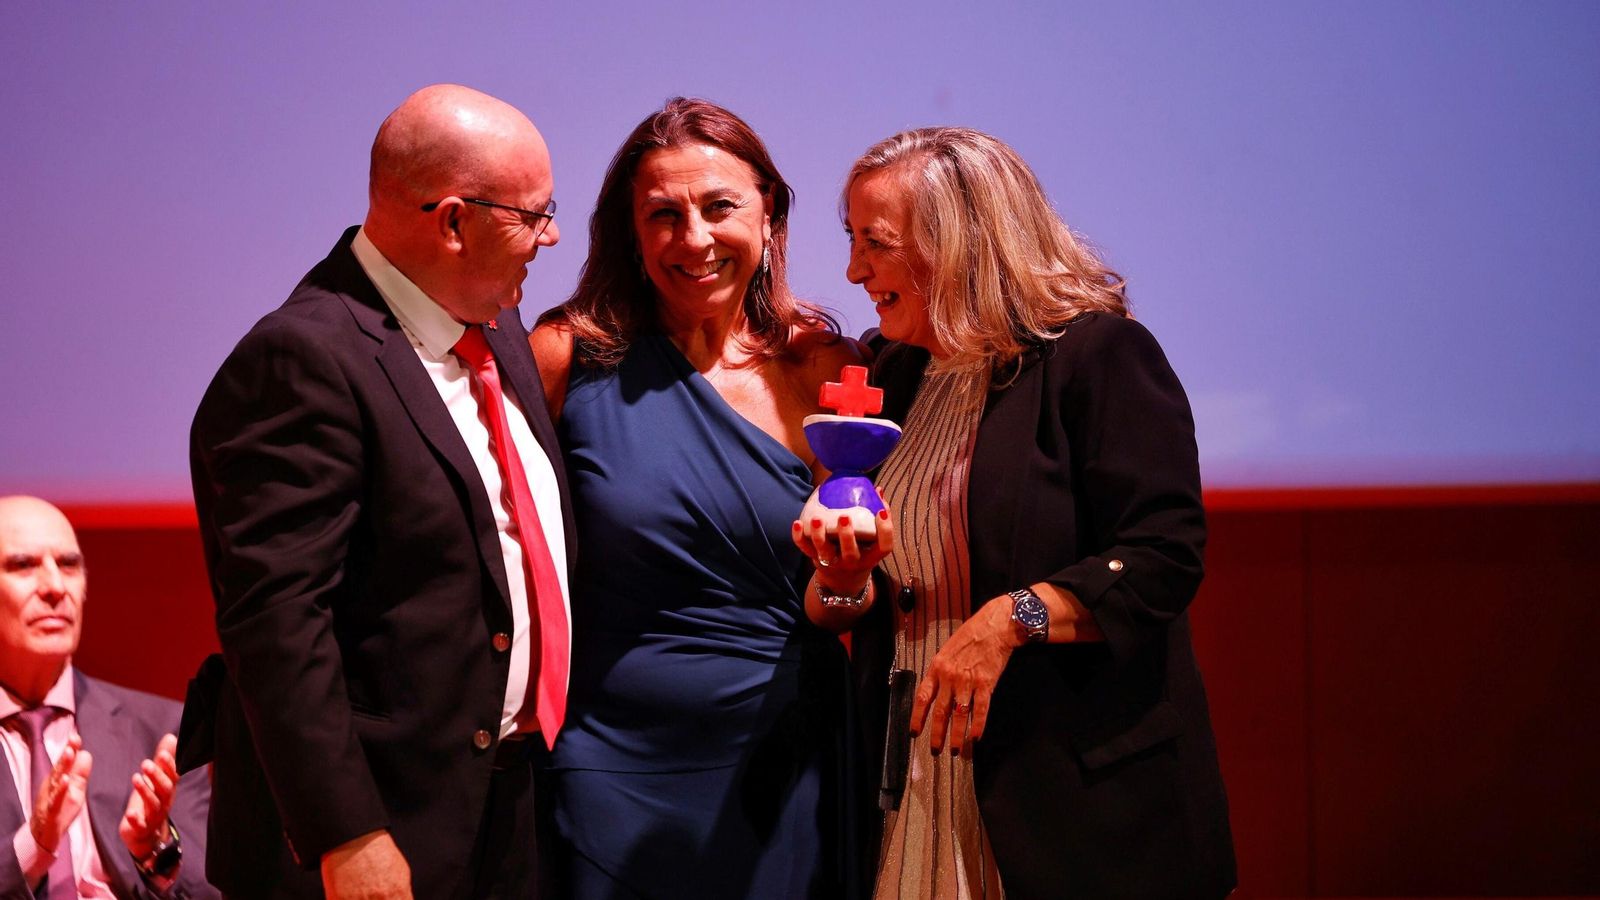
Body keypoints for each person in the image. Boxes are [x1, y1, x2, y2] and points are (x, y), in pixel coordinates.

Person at [809, 127, 1236, 899]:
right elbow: (860, 602)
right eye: (852, 240)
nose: (852, 270)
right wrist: (844, 578)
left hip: (1072, 807)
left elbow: (1164, 555)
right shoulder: (890, 375)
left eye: (874, 243)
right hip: (914, 778)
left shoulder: (1098, 356)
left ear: (958, 241)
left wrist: (1013, 619)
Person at [188, 84, 574, 898]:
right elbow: (278, 623)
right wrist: (346, 833)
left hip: (504, 815)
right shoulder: (301, 363)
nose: (552, 236)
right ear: (454, 221)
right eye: (533, 215)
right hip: (376, 838)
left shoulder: (496, 325)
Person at [529, 97, 882, 899]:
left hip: (787, 767)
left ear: (769, 215)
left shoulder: (823, 364)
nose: (694, 238)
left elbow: (841, 601)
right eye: (662, 215)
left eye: (719, 206)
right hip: (610, 765)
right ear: (630, 232)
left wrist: (846, 579)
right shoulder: (566, 357)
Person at [1, 495, 218, 899]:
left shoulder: (159, 728)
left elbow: (211, 893)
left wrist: (155, 853)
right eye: (22, 565)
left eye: (69, 565)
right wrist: (35, 844)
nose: (54, 587)